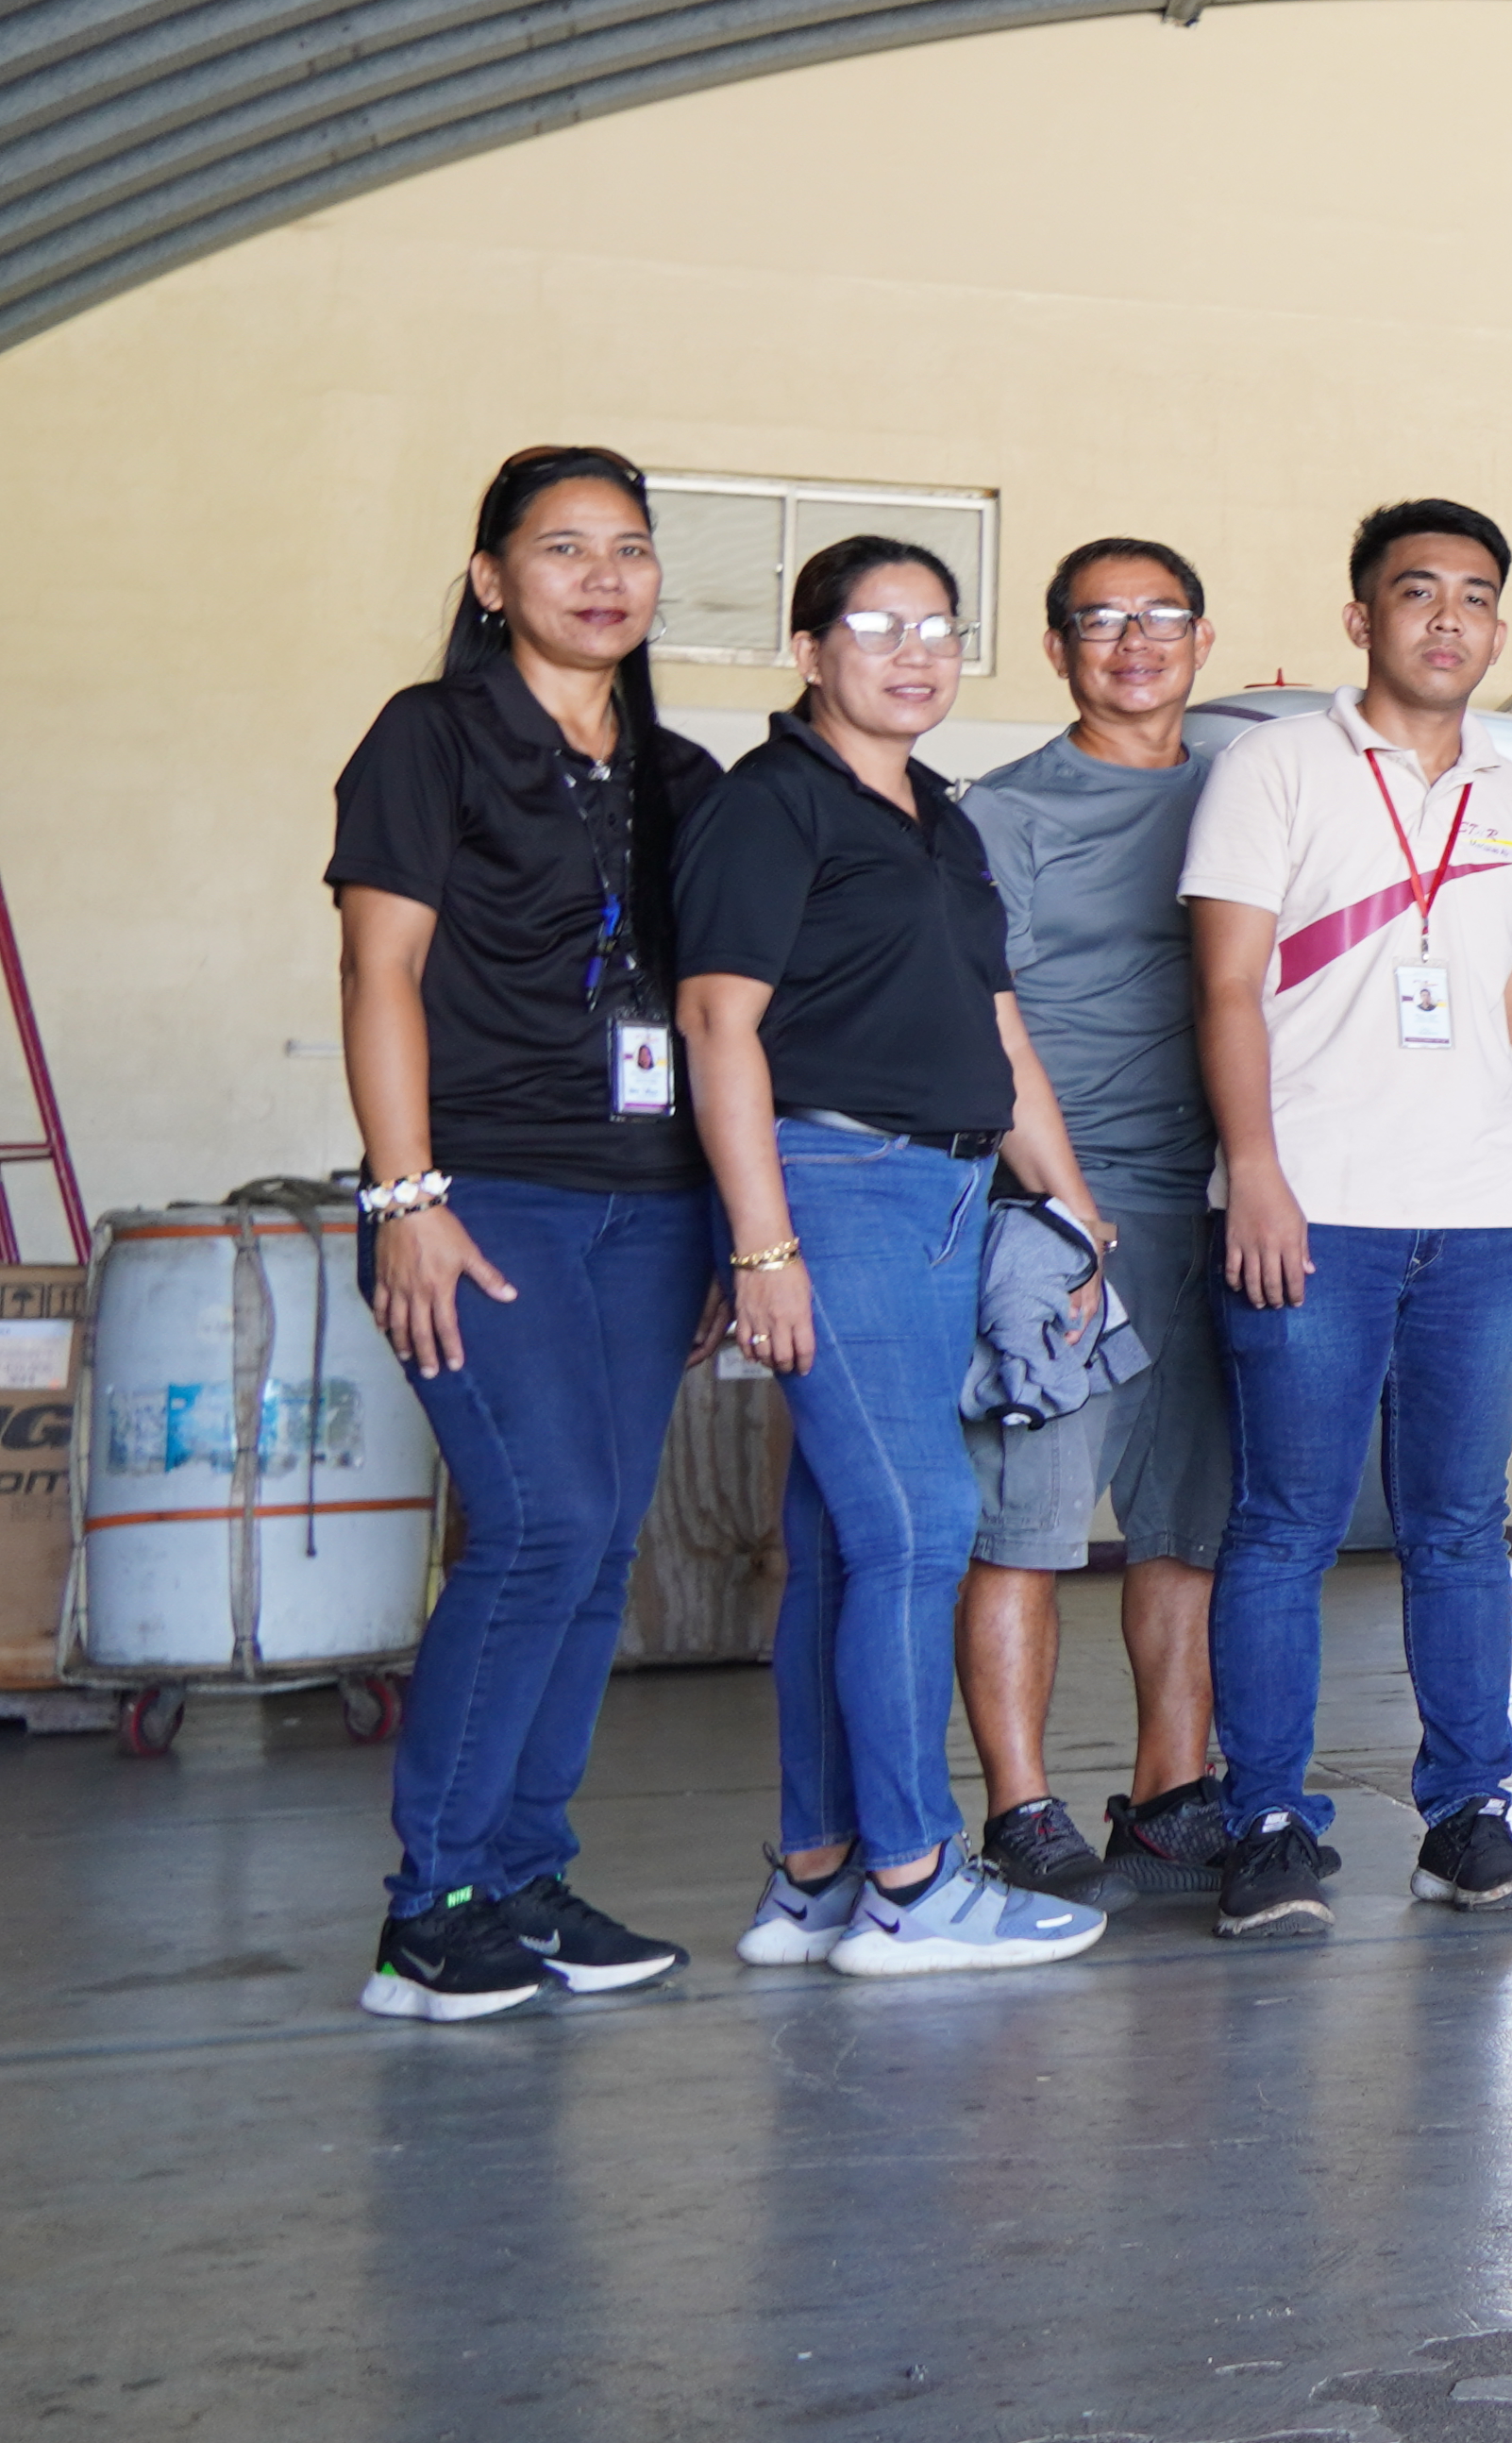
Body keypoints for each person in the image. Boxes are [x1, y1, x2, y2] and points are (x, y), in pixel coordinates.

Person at [678, 534, 1120, 1976]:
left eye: (938, 624)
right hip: (835, 1185)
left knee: (839, 1542)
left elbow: (997, 1028)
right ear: (810, 653)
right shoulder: (772, 808)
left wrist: (1072, 1207)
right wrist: (761, 1247)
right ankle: (918, 1879)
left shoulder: (937, 812)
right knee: (921, 1526)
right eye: (878, 625)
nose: (915, 649)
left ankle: (815, 1876)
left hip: (946, 1198)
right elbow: (716, 1026)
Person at [332, 446, 735, 2021]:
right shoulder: (430, 738)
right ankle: (427, 1904)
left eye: (628, 547)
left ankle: (519, 1873)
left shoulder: (680, 774)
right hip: (483, 1187)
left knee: (596, 1545)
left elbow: (710, 1014)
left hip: (648, 1206)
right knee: (539, 1522)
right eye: (561, 547)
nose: (602, 575)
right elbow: (379, 975)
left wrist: (724, 1223)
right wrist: (404, 1195)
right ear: (492, 579)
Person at [1181, 500, 1512, 1935]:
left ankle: (1468, 1817)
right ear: (1363, 618)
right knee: (1285, 1525)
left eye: (1476, 595)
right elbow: (1225, 989)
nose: (1448, 619)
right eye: (1418, 593)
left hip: (1474, 1217)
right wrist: (1258, 1171)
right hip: (1314, 1208)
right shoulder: (1274, 770)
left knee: (1463, 1529)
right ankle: (1268, 1819)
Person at [947, 537, 1238, 1905]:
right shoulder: (995, 815)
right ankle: (1021, 1809)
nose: (1134, 640)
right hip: (1058, 1219)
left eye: (1160, 615)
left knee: (1187, 1529)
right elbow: (978, 1031)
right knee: (1030, 1527)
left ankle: (1174, 1797)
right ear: (1058, 648)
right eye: (1100, 619)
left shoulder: (1249, 797)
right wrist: (1061, 1205)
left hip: (1221, 1213)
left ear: (1202, 638)